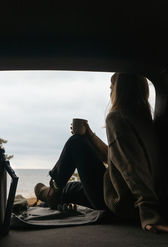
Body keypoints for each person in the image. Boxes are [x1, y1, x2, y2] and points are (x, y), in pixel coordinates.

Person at [35, 72, 168, 233]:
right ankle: (55, 192)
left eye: (112, 88)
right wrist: (89, 134)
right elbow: (117, 158)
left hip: (121, 205)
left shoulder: (116, 118)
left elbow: (131, 169)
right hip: (124, 196)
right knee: (72, 189)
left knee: (76, 142)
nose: (110, 92)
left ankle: (52, 192)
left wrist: (148, 214)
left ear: (119, 91)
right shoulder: (147, 122)